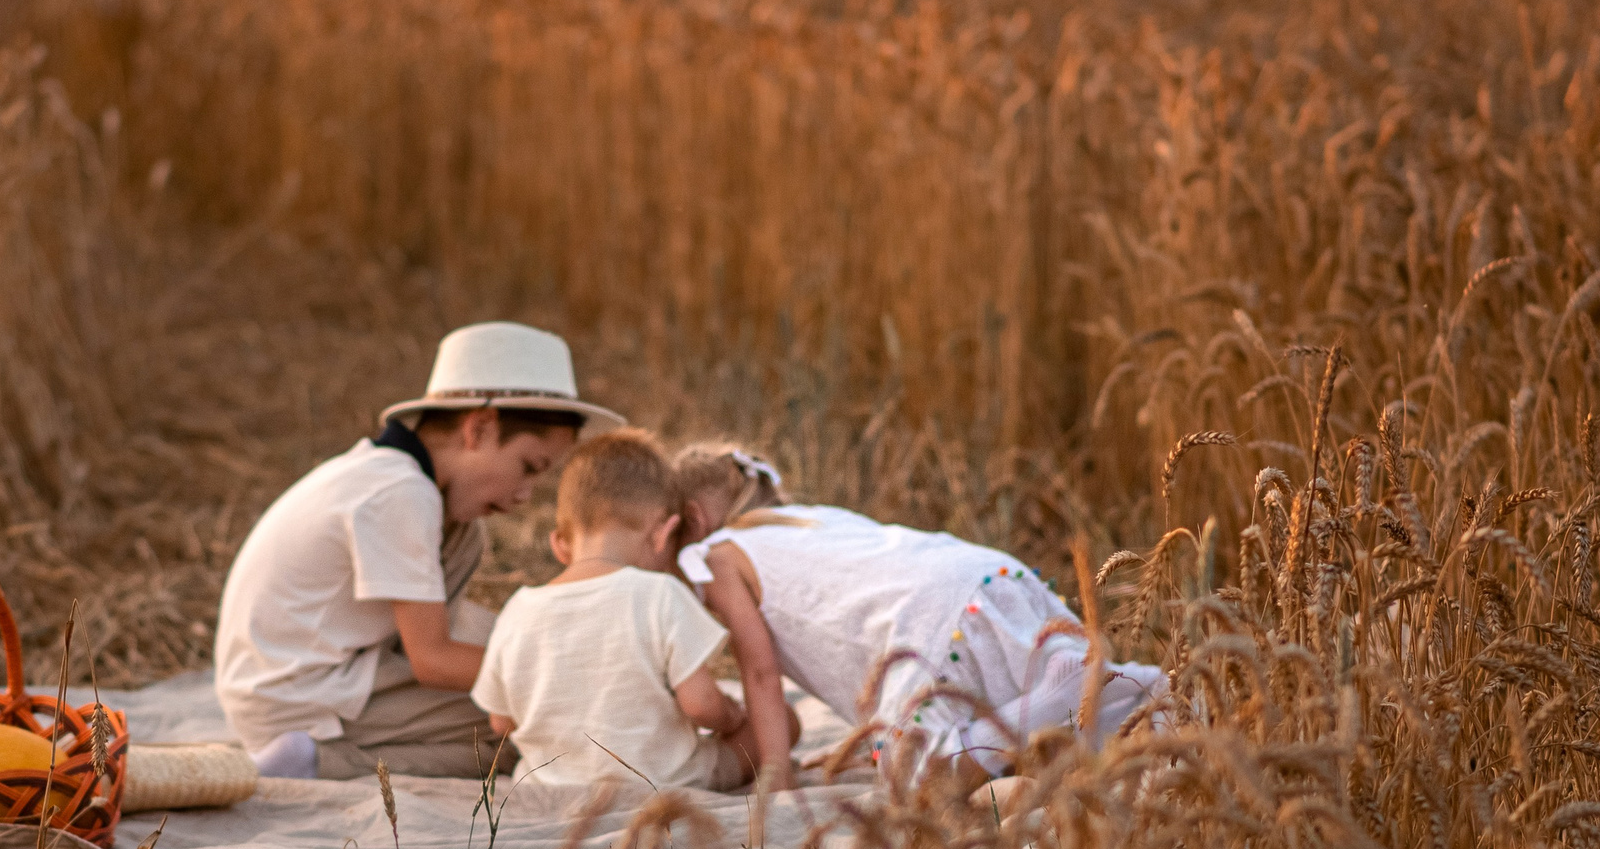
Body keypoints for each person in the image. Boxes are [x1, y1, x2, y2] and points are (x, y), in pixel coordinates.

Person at [215, 323, 624, 780]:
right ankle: (313, 762)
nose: (527, 494)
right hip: (294, 696)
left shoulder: (425, 501)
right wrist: (568, 676)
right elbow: (433, 658)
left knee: (526, 710)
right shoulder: (400, 493)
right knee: (538, 732)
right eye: (528, 467)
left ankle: (316, 759)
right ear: (479, 429)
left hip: (305, 682)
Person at [669, 442, 1163, 787]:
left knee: (915, 779)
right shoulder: (812, 519)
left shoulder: (714, 556)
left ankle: (1058, 692)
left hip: (928, 622)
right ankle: (1147, 685)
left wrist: (777, 774)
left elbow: (758, 672)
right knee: (1067, 735)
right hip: (986, 576)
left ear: (693, 520)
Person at [471, 431, 761, 790]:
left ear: (560, 543)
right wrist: (733, 715)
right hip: (663, 783)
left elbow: (501, 722)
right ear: (663, 533)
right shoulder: (661, 594)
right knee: (774, 725)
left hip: (549, 788)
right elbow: (702, 705)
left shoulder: (518, 608)